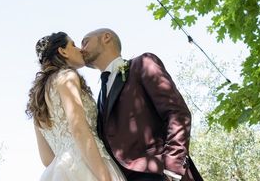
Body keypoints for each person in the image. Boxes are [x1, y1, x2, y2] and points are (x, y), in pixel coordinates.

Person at [81, 28, 203, 181]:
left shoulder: (142, 63)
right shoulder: (98, 97)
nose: (81, 49)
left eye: (85, 42)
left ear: (106, 38)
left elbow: (177, 112)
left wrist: (172, 165)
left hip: (158, 171)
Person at [27, 31, 127, 181]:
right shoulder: (67, 77)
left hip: (61, 171)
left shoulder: (37, 99)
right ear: (63, 51)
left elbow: (46, 158)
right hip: (90, 166)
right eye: (73, 45)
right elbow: (79, 129)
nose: (79, 49)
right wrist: (105, 177)